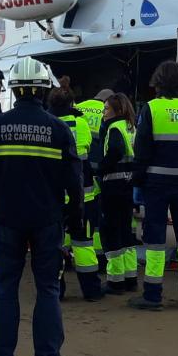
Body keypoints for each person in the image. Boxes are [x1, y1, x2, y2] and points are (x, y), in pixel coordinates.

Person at [0, 56, 82, 356]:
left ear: (14, 90)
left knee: (6, 289)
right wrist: (73, 220)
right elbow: (74, 183)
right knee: (47, 289)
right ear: (42, 90)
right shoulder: (59, 129)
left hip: (7, 220)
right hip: (47, 221)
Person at [129, 61, 178, 311]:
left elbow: (142, 151)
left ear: (158, 83)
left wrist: (137, 183)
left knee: (155, 240)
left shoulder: (151, 109)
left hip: (156, 183)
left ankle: (152, 296)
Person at [49, 80, 102, 301]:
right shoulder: (80, 124)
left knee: (54, 244)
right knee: (84, 244)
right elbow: (87, 149)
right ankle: (91, 290)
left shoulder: (47, 123)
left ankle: (56, 290)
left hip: (54, 194)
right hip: (83, 192)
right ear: (72, 101)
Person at [96, 92, 138, 294]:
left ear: (117, 111)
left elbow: (114, 151)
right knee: (126, 233)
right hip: (128, 186)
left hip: (112, 186)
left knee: (110, 232)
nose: (103, 112)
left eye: (106, 109)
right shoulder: (130, 127)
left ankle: (115, 281)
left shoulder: (114, 128)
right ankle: (130, 278)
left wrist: (100, 168)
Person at [75, 88, 112, 261]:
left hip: (77, 168)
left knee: (73, 211)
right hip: (97, 172)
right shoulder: (107, 111)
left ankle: (67, 252)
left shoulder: (77, 107)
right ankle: (98, 253)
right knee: (95, 215)